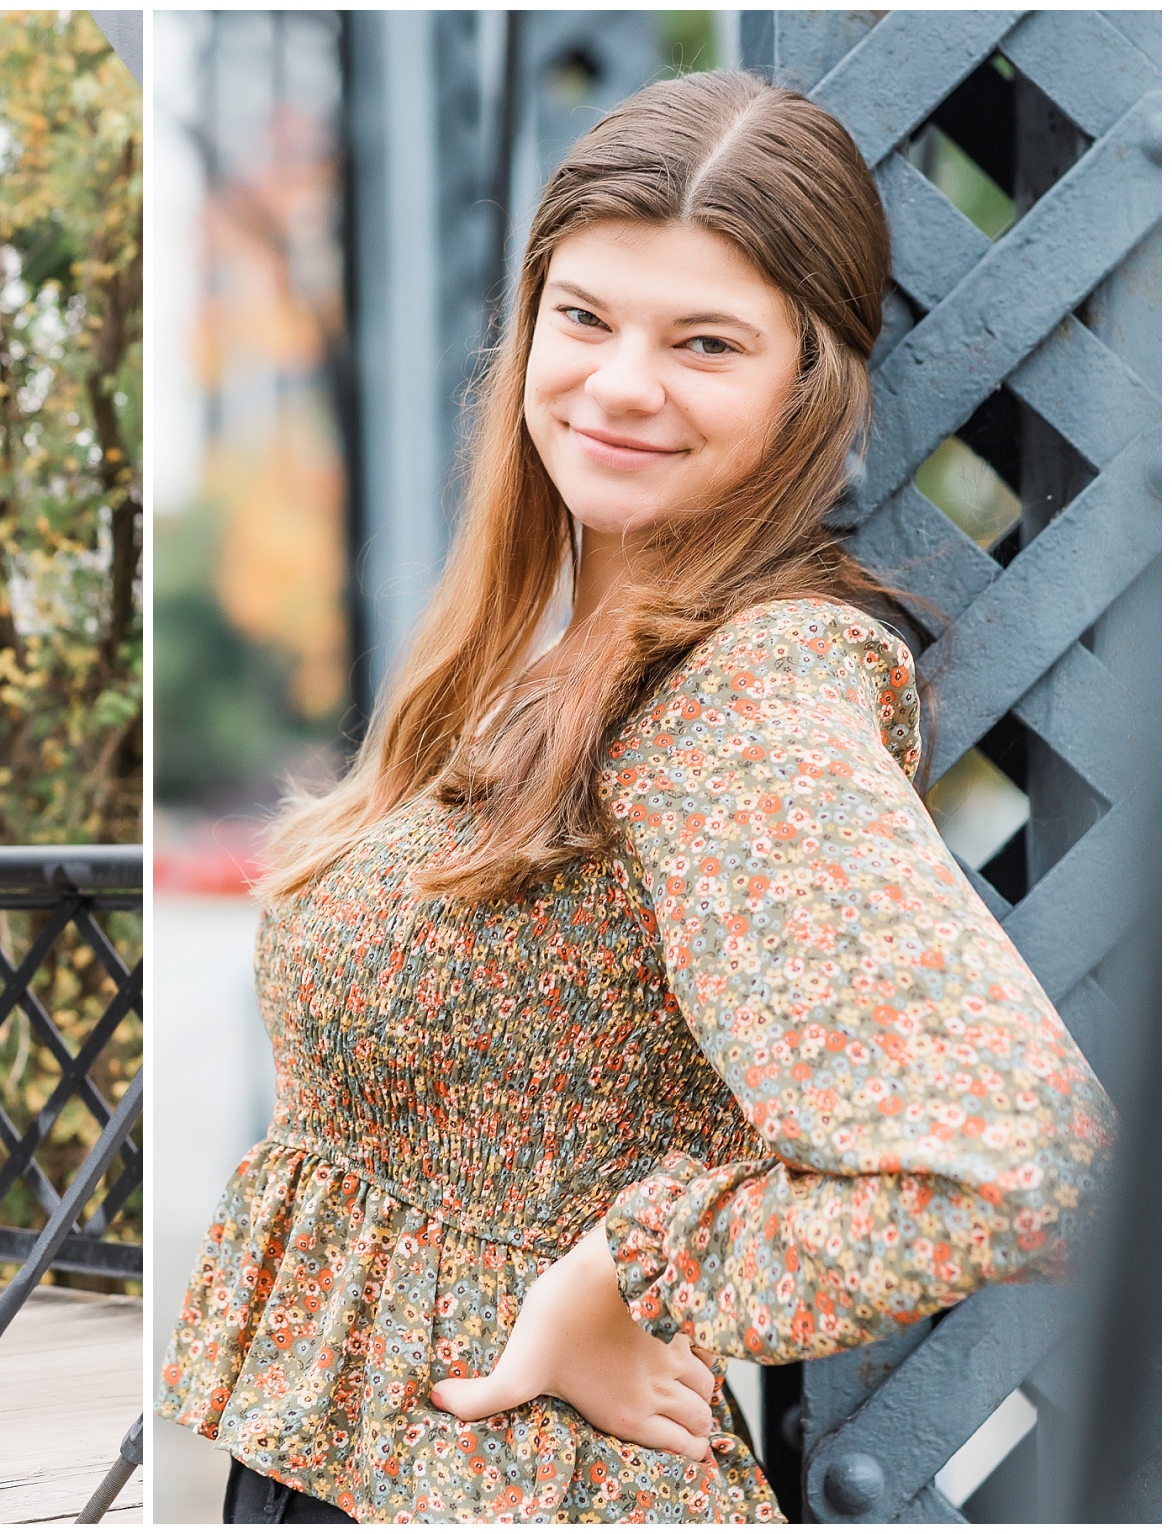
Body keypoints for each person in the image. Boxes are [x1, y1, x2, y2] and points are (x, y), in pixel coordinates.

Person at [157, 71, 1115, 1524]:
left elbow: (1013, 1161)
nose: (616, 384)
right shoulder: (548, 656)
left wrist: (623, 1278)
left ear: (808, 386)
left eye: (704, 342)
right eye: (585, 316)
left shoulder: (746, 695)